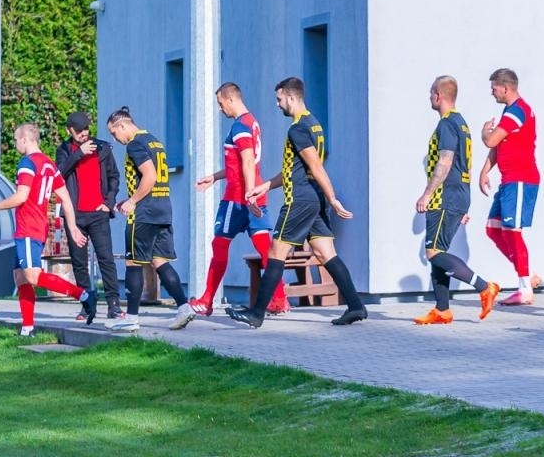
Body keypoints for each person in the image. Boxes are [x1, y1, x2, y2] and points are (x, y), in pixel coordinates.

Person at [229, 78, 368, 329]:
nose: (277, 104)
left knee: (275, 253)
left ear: (291, 98)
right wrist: (265, 186)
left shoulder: (298, 128)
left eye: (279, 99)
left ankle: (257, 314)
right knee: (326, 253)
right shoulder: (314, 124)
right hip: (312, 199)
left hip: (299, 201)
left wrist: (333, 198)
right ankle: (356, 306)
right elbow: (296, 169)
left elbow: (315, 166)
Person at [0, 123, 92, 334]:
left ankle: (83, 295)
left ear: (24, 139)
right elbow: (66, 199)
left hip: (28, 228)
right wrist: (73, 227)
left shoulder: (27, 162)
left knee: (32, 276)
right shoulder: (49, 164)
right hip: (35, 227)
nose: (15, 145)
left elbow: (21, 196)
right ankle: (27, 328)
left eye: (16, 140)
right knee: (20, 277)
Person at [189, 83, 289, 317]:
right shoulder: (251, 122)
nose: (220, 108)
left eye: (220, 103)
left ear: (230, 99)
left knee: (219, 244)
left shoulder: (240, 125)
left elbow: (246, 161)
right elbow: (241, 163)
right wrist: (214, 177)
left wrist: (249, 192)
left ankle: (206, 301)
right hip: (255, 196)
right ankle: (280, 299)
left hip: (238, 198)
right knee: (266, 248)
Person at [413, 77, 501, 324]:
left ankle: (485, 287)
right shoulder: (461, 124)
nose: (430, 97)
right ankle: (442, 310)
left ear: (439, 95)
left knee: (433, 253)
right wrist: (464, 202)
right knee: (439, 251)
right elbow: (465, 164)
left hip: (445, 196)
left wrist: (427, 193)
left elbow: (446, 161)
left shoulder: (447, 124)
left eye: (431, 93)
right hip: (458, 195)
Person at [103, 107, 194, 331]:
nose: (115, 138)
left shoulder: (135, 144)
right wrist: (128, 198)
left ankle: (131, 318)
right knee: (160, 261)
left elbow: (149, 176)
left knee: (133, 262)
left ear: (122, 125)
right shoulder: (154, 141)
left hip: (144, 214)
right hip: (162, 209)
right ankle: (184, 307)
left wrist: (132, 201)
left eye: (114, 133)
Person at [478, 68, 542, 305]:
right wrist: (485, 171)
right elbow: (498, 146)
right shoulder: (509, 111)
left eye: (494, 88)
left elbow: (491, 140)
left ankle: (525, 288)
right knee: (493, 229)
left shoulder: (518, 111)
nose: (492, 92)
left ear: (506, 88)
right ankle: (529, 274)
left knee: (513, 232)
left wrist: (485, 132)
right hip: (509, 181)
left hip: (521, 179)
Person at [55, 110, 123, 321]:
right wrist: (78, 154)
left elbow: (114, 176)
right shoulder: (64, 150)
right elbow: (58, 175)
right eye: (79, 132)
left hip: (98, 213)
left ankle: (113, 304)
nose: (84, 134)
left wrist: (109, 202)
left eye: (86, 130)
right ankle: (86, 304)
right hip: (75, 216)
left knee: (106, 259)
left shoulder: (102, 148)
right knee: (79, 262)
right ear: (69, 131)